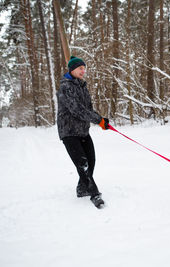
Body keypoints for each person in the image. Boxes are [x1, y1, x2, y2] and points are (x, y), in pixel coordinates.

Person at [57, 56, 110, 209]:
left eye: (84, 68)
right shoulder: (66, 87)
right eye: (80, 68)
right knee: (83, 165)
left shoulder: (82, 86)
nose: (83, 70)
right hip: (69, 132)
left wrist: (101, 120)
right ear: (72, 69)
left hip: (82, 131)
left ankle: (81, 189)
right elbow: (76, 110)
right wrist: (97, 120)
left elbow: (87, 109)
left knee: (91, 161)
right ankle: (94, 193)